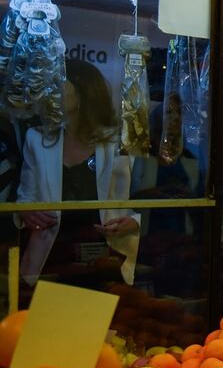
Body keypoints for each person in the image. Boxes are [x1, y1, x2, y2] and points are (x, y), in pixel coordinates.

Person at [16, 59, 141, 289]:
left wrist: (133, 223)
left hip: (104, 262)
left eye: (60, 83)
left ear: (84, 91)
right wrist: (25, 212)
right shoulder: (37, 139)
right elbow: (25, 198)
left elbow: (139, 202)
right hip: (51, 262)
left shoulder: (116, 143)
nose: (52, 91)